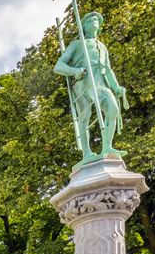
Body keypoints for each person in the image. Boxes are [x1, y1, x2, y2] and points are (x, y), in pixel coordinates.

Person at [54, 11, 127, 162]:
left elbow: (108, 69)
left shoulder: (102, 47)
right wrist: (74, 71)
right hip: (83, 83)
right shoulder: (77, 44)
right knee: (84, 117)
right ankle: (86, 153)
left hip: (100, 81)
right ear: (83, 27)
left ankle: (107, 147)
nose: (94, 21)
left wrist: (116, 87)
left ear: (99, 26)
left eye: (96, 20)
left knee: (113, 110)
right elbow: (58, 66)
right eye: (89, 20)